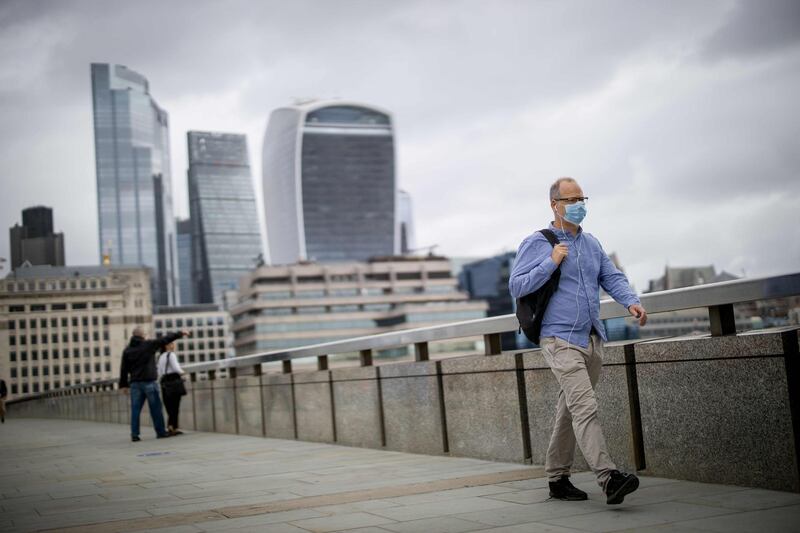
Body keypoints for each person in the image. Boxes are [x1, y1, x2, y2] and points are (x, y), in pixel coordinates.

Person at [509, 177, 648, 505]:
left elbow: (611, 276)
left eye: (581, 198)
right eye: (570, 199)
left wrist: (631, 301)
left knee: (570, 409)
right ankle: (608, 477)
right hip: (558, 339)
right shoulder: (538, 242)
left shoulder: (591, 243)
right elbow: (517, 286)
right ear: (554, 205)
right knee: (585, 406)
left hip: (592, 338)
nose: (578, 205)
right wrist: (551, 261)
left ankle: (557, 478)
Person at [119, 327, 190, 442]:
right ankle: (160, 432)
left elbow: (123, 369)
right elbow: (165, 339)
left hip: (135, 384)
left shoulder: (127, 350)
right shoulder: (148, 345)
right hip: (149, 382)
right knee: (155, 409)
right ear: (142, 335)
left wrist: (124, 385)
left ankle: (135, 434)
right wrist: (180, 333)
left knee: (135, 410)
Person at [157, 342, 185, 436]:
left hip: (164, 381)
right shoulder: (171, 354)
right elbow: (176, 368)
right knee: (175, 405)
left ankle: (171, 426)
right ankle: (172, 427)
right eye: (171, 344)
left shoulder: (160, 357)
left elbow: (159, 371)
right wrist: (182, 372)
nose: (173, 345)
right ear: (166, 346)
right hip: (174, 380)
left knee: (169, 405)